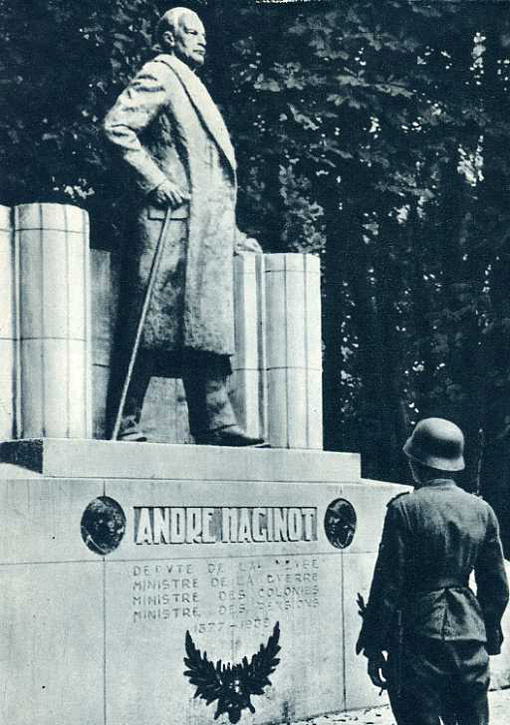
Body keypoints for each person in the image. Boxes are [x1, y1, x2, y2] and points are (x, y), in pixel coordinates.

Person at [103, 7, 264, 445]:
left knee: (203, 328)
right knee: (150, 326)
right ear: (169, 39)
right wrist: (155, 181)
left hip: (204, 233)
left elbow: (210, 174)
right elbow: (117, 127)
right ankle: (124, 421)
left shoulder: (193, 85)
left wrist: (233, 236)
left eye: (202, 33)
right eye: (192, 32)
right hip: (170, 224)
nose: (201, 39)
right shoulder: (161, 73)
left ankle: (215, 421)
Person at [356, 417, 509, 725]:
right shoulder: (482, 511)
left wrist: (374, 646)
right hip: (469, 637)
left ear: (417, 463)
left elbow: (388, 585)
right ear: (454, 464)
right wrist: (489, 634)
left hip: (417, 637)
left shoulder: (404, 509)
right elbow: (495, 585)